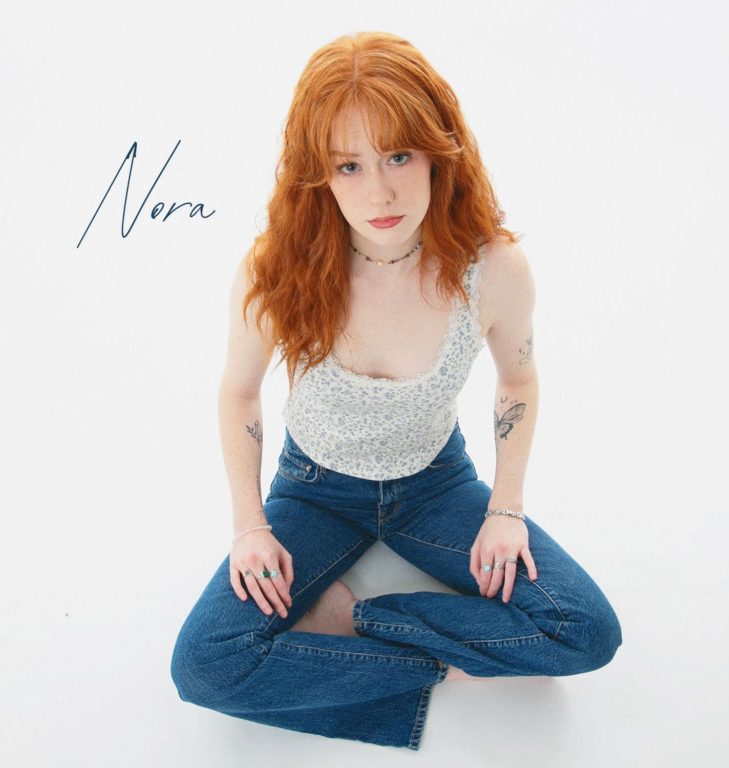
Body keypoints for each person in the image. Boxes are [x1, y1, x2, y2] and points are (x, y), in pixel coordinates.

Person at [170, 30, 622, 751]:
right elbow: (239, 394)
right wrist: (250, 526)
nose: (378, 193)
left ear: (440, 151)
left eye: (399, 156)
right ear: (318, 175)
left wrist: (505, 509)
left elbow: (519, 379)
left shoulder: (493, 268)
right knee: (206, 665)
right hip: (314, 490)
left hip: (435, 486)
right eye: (348, 166)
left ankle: (352, 624)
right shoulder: (277, 268)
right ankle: (436, 670)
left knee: (584, 631)